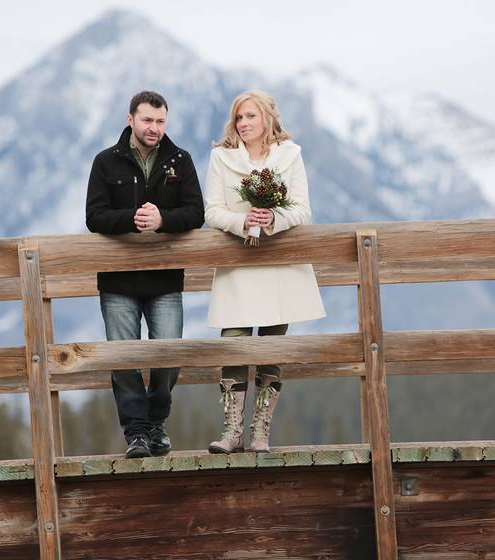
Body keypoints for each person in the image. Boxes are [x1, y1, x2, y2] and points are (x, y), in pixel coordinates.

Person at [203, 90, 325, 454]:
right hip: (238, 265)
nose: (243, 124)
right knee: (234, 342)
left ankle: (260, 432)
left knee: (273, 347)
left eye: (250, 117)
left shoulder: (291, 155)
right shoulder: (221, 158)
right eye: (239, 118)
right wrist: (243, 221)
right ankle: (231, 432)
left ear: (268, 118)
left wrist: (274, 217)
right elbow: (212, 211)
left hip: (279, 265)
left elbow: (302, 209)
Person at [85, 91, 204, 459]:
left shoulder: (180, 160)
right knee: (123, 359)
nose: (154, 128)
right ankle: (136, 433)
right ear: (130, 119)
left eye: (160, 121)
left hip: (165, 279)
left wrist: (163, 220)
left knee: (168, 354)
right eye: (148, 120)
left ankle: (156, 423)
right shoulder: (106, 162)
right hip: (118, 280)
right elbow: (94, 216)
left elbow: (196, 213)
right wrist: (133, 219)